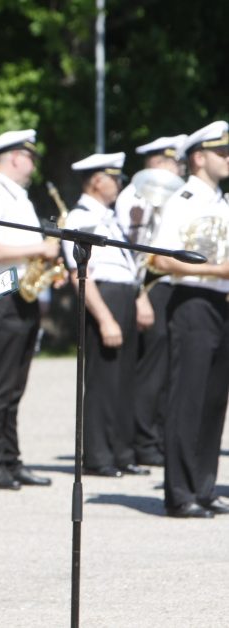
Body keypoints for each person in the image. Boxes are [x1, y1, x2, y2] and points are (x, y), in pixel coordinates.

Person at [0, 129, 58, 490]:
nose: (33, 164)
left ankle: (11, 459)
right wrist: (39, 251)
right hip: (0, 297)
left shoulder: (17, 195)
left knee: (15, 386)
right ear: (16, 157)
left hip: (22, 296)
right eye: (31, 157)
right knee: (1, 386)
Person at [150, 121, 229, 518]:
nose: (228, 158)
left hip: (221, 304)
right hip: (193, 301)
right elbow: (162, 258)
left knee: (214, 401)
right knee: (188, 398)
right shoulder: (183, 198)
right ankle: (180, 492)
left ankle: (203, 485)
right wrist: (219, 271)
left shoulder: (220, 200)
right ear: (199, 157)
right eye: (222, 152)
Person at [61, 152, 153, 477]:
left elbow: (127, 264)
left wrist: (139, 296)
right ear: (98, 180)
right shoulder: (81, 216)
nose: (119, 184)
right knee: (103, 381)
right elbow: (78, 274)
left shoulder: (109, 216)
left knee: (125, 378)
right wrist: (104, 318)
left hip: (124, 295)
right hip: (104, 298)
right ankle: (99, 456)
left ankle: (122, 453)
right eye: (115, 178)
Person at [114, 135, 187, 467]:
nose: (178, 168)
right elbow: (135, 251)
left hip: (168, 284)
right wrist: (141, 294)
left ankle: (155, 435)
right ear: (158, 162)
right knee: (152, 370)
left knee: (168, 367)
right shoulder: (135, 194)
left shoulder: (171, 194)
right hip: (150, 284)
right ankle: (145, 440)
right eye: (173, 162)